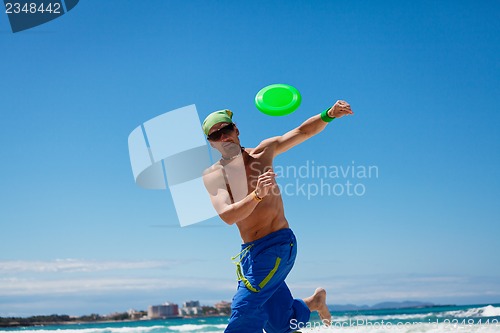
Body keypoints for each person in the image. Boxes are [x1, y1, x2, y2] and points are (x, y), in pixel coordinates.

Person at [202, 100, 353, 333]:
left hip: (278, 245)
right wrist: (257, 195)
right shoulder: (214, 175)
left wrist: (329, 114)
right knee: (279, 325)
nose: (223, 137)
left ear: (236, 130)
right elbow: (227, 216)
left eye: (226, 129)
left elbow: (302, 131)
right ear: (211, 143)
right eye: (215, 135)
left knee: (244, 310)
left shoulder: (263, 153)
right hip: (250, 253)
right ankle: (312, 304)